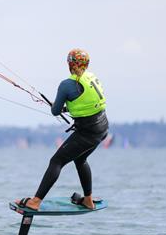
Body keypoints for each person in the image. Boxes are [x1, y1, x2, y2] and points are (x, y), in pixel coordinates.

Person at [16, 48, 109, 210]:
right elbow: (85, 103)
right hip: (103, 128)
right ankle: (88, 200)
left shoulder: (67, 84)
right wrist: (67, 107)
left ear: (70, 65)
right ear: (86, 64)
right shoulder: (91, 77)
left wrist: (59, 105)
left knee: (56, 161)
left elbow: (55, 111)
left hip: (87, 133)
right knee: (80, 159)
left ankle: (35, 201)